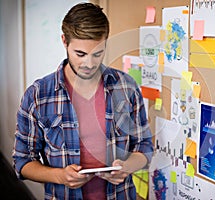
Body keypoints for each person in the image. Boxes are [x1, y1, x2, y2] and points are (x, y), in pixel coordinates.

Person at [12, 3, 153, 200]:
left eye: (97, 54)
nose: (89, 64)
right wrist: (60, 176)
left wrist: (127, 166)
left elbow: (144, 145)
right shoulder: (37, 95)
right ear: (64, 41)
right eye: (80, 54)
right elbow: (22, 162)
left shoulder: (126, 87)